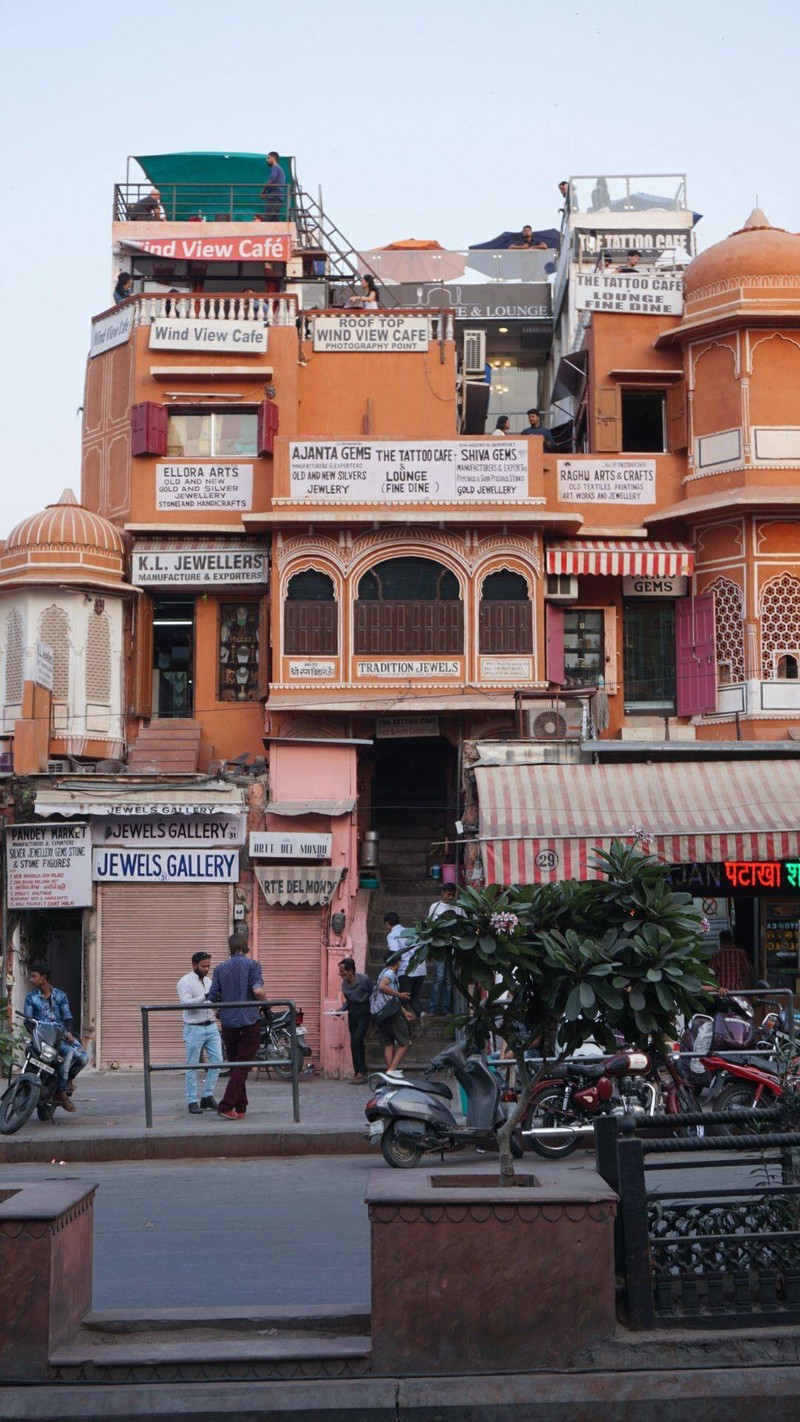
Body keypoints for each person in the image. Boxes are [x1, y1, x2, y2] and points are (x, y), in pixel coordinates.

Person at [208, 933, 269, 1119]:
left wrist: (221, 1010)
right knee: (242, 1067)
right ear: (245, 945)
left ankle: (241, 1107)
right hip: (249, 1021)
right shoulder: (253, 965)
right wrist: (266, 1004)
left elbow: (213, 996)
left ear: (230, 947)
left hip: (229, 1023)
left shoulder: (220, 968)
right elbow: (258, 991)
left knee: (236, 1066)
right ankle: (226, 1106)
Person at [24, 961, 88, 1113]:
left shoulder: (60, 996)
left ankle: (66, 1080)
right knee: (68, 1054)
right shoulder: (30, 998)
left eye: (34, 976)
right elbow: (28, 1020)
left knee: (83, 1058)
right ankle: (62, 1092)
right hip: (42, 1037)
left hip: (60, 1036)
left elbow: (67, 1018)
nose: (31, 980)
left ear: (43, 977)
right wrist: (35, 1033)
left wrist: (69, 1033)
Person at [176, 951, 222, 1114]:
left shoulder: (209, 981)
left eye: (208, 966)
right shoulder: (185, 982)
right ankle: (191, 1101)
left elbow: (213, 1000)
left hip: (211, 1026)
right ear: (194, 965)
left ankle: (207, 1096)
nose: (206, 969)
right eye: (203, 966)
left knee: (217, 1061)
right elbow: (186, 1004)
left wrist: (217, 1007)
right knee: (192, 1064)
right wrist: (205, 997)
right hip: (194, 1027)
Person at [427, 883, 465, 1016]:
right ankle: (433, 1008)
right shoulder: (435, 907)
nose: (450, 897)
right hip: (440, 946)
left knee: (449, 979)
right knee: (439, 977)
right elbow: (429, 925)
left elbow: (464, 923)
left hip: (454, 946)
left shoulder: (458, 907)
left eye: (452, 894)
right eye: (448, 894)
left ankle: (445, 1008)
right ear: (442, 893)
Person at [373, 948, 412, 1074]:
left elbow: (390, 998)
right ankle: (391, 1070)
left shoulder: (382, 972)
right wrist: (400, 995)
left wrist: (404, 1012)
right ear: (397, 962)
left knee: (388, 1044)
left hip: (382, 1014)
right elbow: (382, 986)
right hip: (391, 1015)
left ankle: (390, 1071)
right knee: (405, 1043)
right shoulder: (390, 973)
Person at [338, 956, 372, 1083]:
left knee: (357, 1040)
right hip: (352, 1013)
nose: (340, 974)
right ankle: (359, 1072)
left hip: (364, 1012)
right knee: (354, 1042)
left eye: (342, 971)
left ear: (351, 971)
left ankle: (362, 1072)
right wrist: (340, 1010)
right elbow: (348, 1001)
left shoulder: (364, 979)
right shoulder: (344, 985)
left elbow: (373, 993)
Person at [709, 928, 753, 993]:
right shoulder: (741, 953)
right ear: (732, 940)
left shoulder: (716, 955)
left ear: (721, 941)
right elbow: (746, 974)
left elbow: (711, 975)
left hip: (722, 993)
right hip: (738, 993)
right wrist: (748, 990)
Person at [261, 151, 287, 221]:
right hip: (278, 197)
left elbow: (271, 180)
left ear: (273, 158)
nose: (267, 160)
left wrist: (263, 191)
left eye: (268, 158)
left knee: (267, 218)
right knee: (274, 220)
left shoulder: (275, 167)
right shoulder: (279, 168)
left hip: (274, 197)